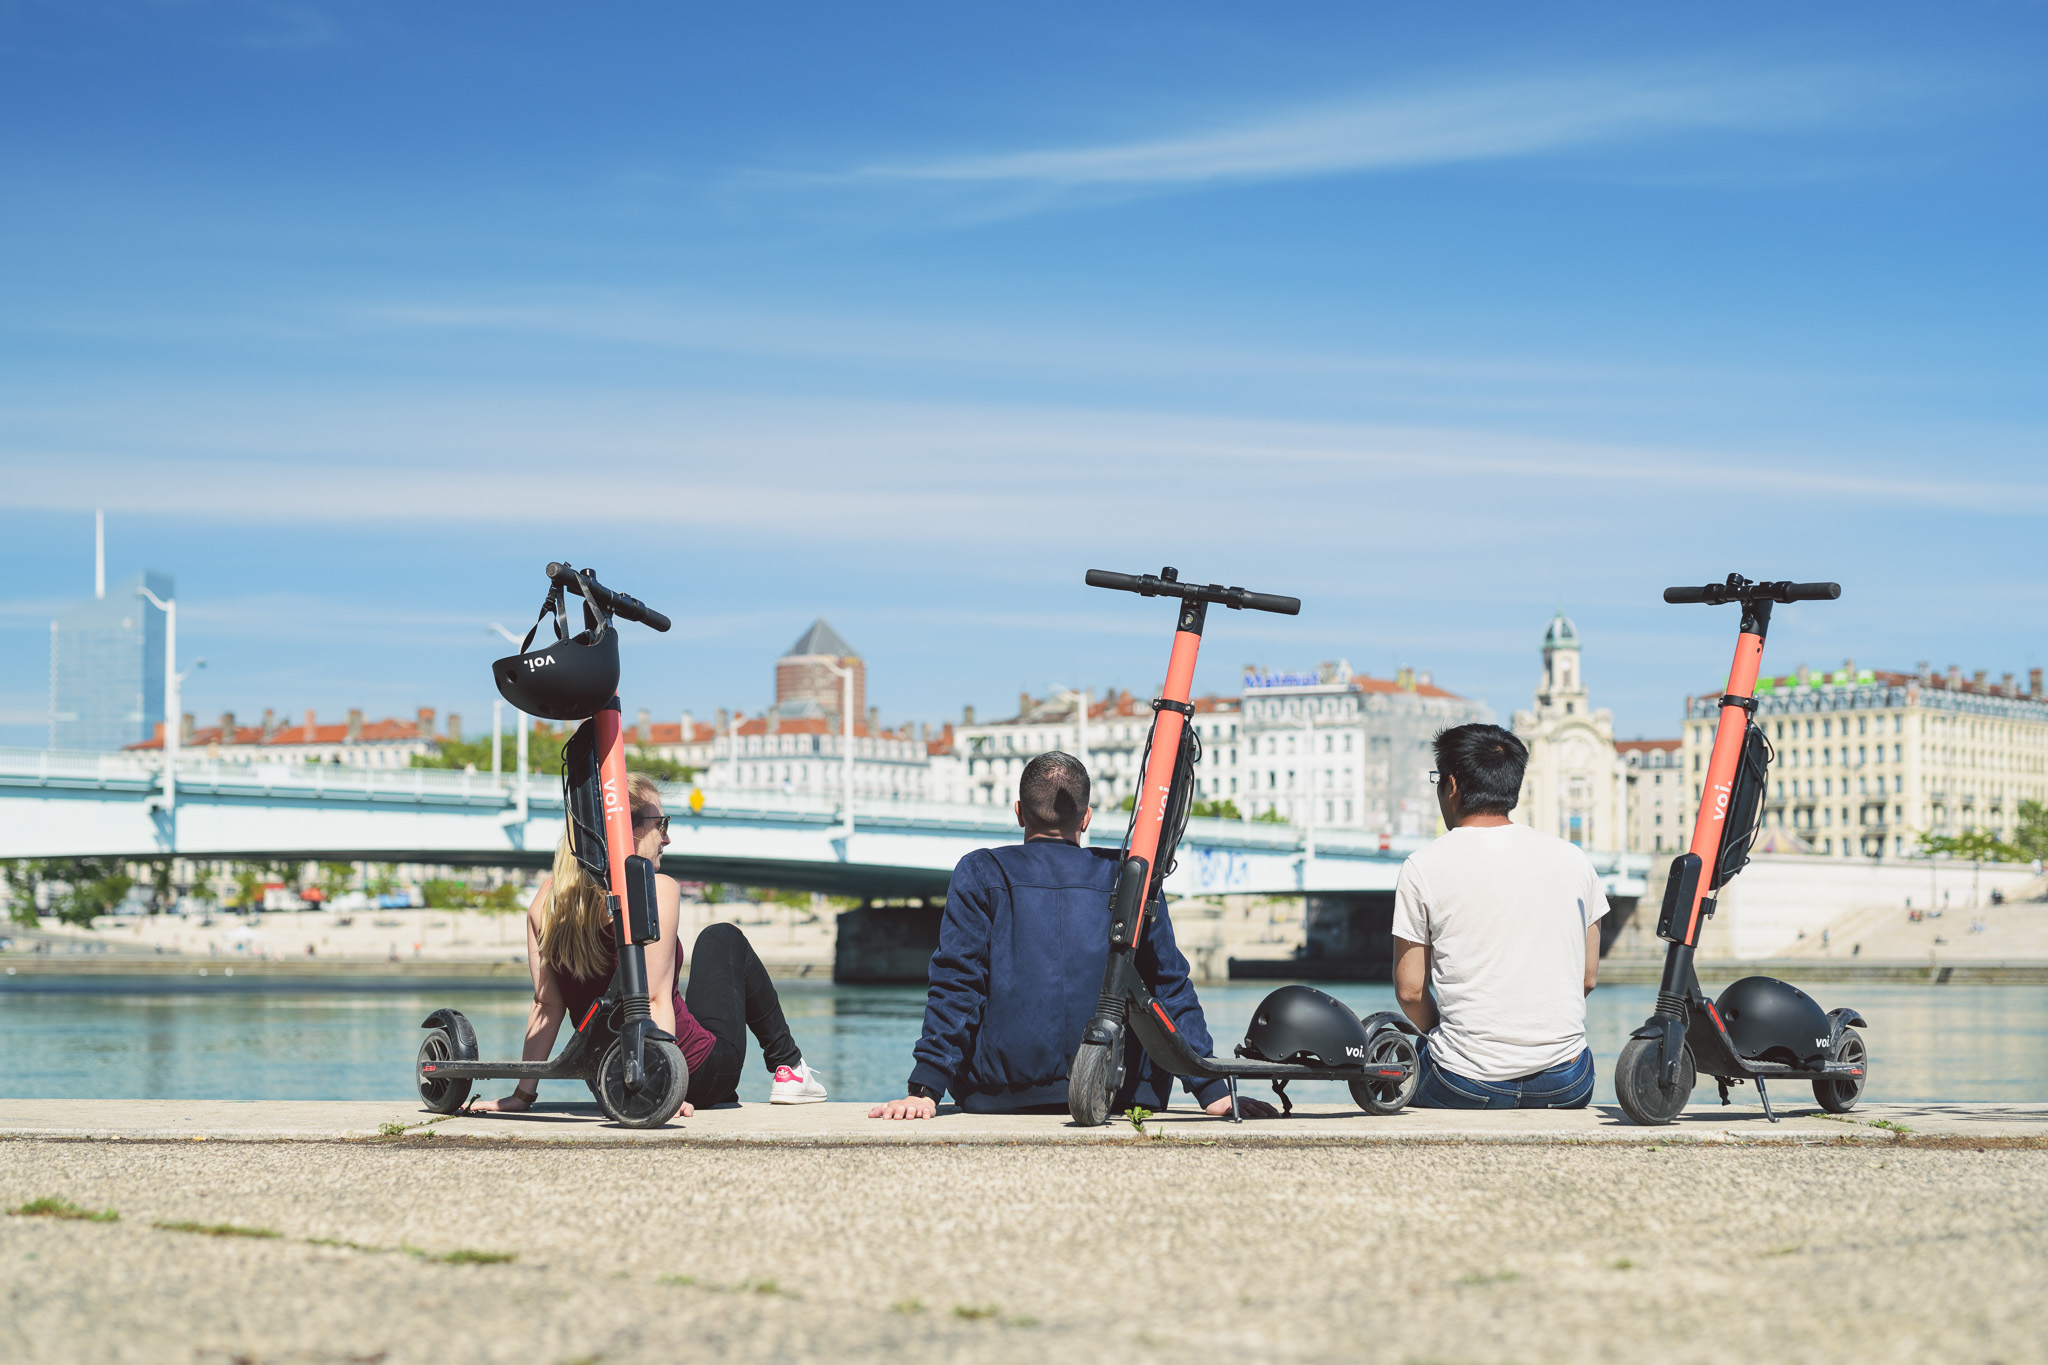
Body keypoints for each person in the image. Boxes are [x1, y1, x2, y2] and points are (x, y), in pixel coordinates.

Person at [869, 752, 1274, 1120]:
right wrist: (1212, 1089)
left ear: (1018, 813)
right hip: (1121, 1092)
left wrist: (925, 1088)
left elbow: (958, 984)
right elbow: (1169, 986)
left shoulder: (981, 872)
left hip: (998, 1095)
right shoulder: (1129, 876)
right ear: (1086, 818)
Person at [470, 774, 826, 1114]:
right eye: (661, 824)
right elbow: (654, 999)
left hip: (613, 1082)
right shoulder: (657, 889)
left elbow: (546, 1006)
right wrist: (664, 1088)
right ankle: (789, 1066)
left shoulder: (545, 902)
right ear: (629, 832)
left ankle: (773, 1071)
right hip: (685, 1073)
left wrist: (522, 1095)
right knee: (721, 937)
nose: (666, 839)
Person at [1391, 723, 1606, 1109]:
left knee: (1392, 1065)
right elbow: (1587, 978)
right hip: (1567, 1081)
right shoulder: (1575, 859)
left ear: (1451, 785)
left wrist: (1444, 1035)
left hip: (1463, 1083)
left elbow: (1410, 991)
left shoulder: (1422, 866)